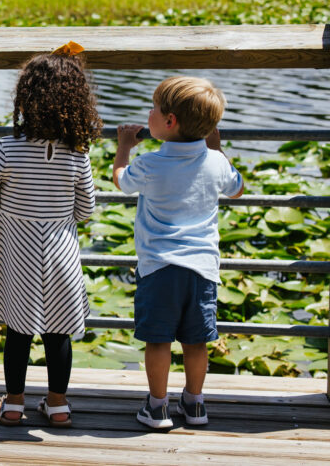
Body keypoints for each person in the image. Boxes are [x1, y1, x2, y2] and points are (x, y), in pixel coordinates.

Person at [0, 44, 100, 427]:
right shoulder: (78, 154)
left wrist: (8, 212)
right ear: (76, 102)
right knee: (58, 333)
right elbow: (86, 209)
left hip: (16, 251)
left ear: (26, 98)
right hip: (60, 251)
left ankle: (12, 404)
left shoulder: (6, 148)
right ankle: (57, 406)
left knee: (18, 332)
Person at [113, 76, 244, 430]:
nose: (149, 114)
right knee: (196, 341)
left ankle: (157, 407)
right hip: (202, 269)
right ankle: (195, 403)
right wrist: (217, 150)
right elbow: (237, 188)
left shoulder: (151, 164)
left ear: (169, 122)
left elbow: (122, 180)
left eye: (154, 109)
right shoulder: (215, 163)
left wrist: (124, 145)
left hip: (159, 268)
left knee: (158, 340)